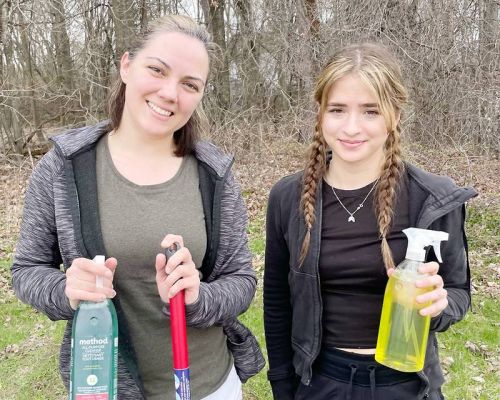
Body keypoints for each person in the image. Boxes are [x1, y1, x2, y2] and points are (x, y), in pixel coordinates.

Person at [11, 14, 264, 400]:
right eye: (157, 70)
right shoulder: (64, 165)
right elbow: (27, 271)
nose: (169, 93)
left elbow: (241, 280)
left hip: (207, 386)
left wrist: (198, 296)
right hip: (105, 386)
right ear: (126, 65)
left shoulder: (214, 173)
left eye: (189, 84)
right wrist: (67, 289)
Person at [263, 43, 477, 400]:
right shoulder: (288, 198)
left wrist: (439, 306)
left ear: (395, 115)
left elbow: (458, 293)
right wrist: (283, 388)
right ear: (320, 114)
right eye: (337, 109)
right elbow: (277, 302)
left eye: (370, 111)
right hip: (320, 383)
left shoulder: (433, 200)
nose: (351, 127)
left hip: (407, 385)